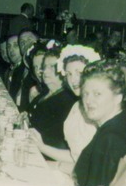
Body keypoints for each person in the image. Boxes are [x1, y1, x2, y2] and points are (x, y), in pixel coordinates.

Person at [59, 60, 126, 186]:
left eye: (97, 94)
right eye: (86, 94)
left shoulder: (111, 138)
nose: (89, 101)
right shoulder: (117, 124)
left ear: (118, 98)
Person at [30, 44, 100, 174]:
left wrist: (55, 166)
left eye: (79, 73)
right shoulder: (76, 107)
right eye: (69, 74)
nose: (73, 79)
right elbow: (75, 155)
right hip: (72, 170)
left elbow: (91, 167)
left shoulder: (97, 110)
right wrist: (41, 147)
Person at [27, 43, 75, 151]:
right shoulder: (45, 92)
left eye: (53, 67)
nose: (45, 71)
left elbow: (58, 139)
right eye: (45, 67)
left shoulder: (67, 100)